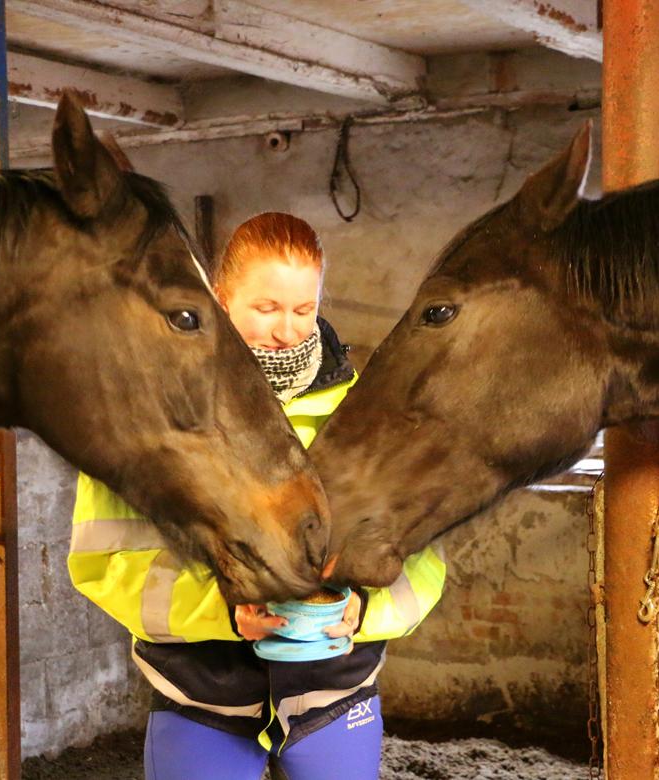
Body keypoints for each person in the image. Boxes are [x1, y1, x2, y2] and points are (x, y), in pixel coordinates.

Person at [68, 212, 446, 780]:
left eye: (304, 310)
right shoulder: (143, 414)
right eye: (266, 309)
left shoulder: (365, 411)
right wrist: (223, 610)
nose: (288, 330)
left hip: (334, 693)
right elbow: (103, 560)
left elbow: (423, 557)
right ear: (219, 298)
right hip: (202, 694)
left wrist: (365, 610)